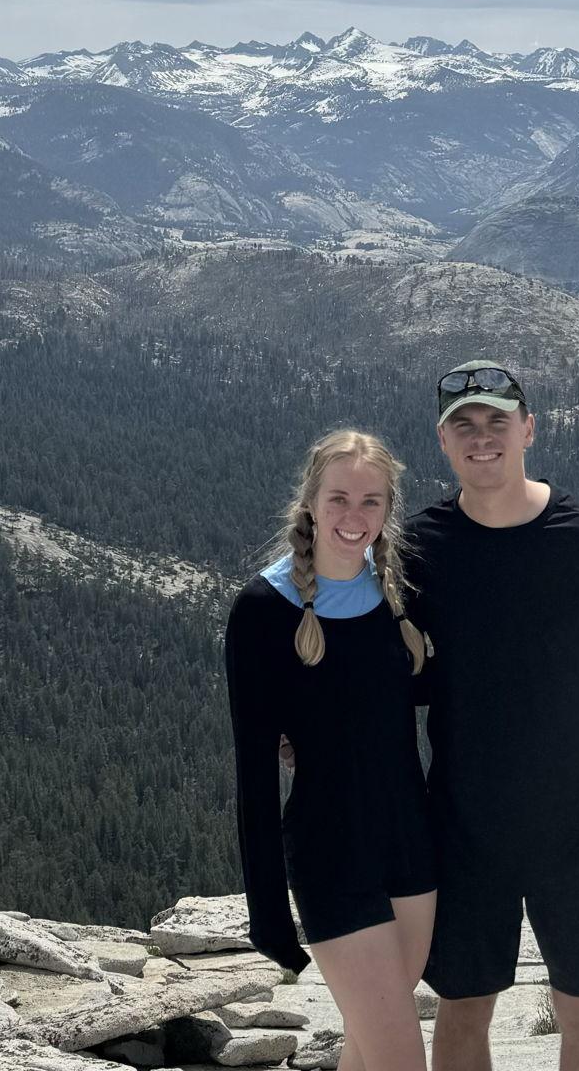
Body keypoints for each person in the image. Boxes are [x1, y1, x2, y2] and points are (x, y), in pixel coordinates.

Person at [402, 361, 579, 1071]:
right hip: (460, 824)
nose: (481, 438)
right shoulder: (416, 548)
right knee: (463, 1008)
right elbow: (369, 658)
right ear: (443, 440)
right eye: (465, 425)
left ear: (528, 429)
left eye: (497, 422)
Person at [225, 430, 438, 1071]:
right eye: (339, 497)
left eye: (371, 501)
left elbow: (438, 694)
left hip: (411, 844)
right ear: (311, 503)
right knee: (401, 1056)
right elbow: (255, 774)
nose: (354, 516)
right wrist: (268, 913)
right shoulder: (263, 611)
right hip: (330, 851)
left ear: (388, 510)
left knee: (371, 1045)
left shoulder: (404, 595)